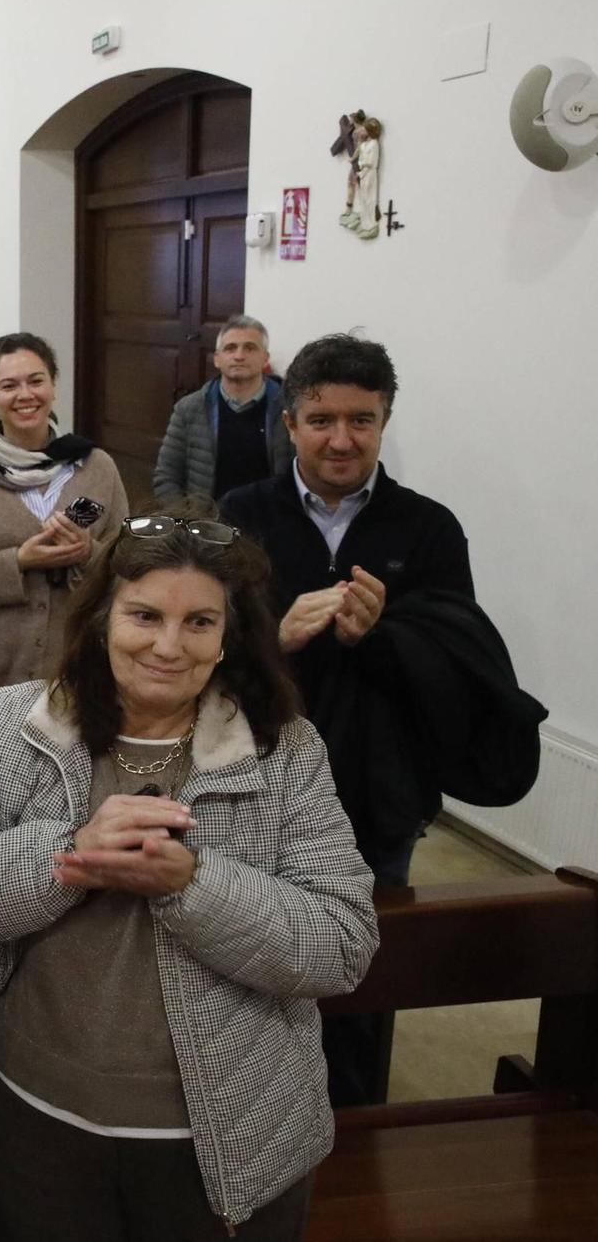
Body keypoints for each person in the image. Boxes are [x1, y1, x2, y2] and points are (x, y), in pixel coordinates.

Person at [0, 511, 377, 1239]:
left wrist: (191, 883)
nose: (166, 644)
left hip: (222, 1132)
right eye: (144, 615)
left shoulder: (284, 753)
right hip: (33, 1113)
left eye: (198, 622)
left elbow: (341, 942)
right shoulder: (12, 723)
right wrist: (69, 853)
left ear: (228, 637)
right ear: (100, 619)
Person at [219, 334, 483, 1107]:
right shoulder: (244, 513)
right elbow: (199, 648)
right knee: (254, 959)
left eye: (361, 420)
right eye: (322, 419)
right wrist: (279, 635)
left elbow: (457, 664)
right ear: (291, 421)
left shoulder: (429, 528)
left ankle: (357, 1122)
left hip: (378, 786)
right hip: (254, 778)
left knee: (362, 968)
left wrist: (382, 638)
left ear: (384, 420)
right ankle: (257, 1112)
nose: (341, 439)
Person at [0, 334, 128, 743]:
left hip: (77, 676)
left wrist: (88, 552)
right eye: (9, 385)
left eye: (36, 381)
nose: (25, 395)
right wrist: (20, 561)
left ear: (53, 385)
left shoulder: (95, 468)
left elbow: (130, 564)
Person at [153, 315, 292, 504]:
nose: (239, 356)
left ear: (265, 358)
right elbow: (167, 477)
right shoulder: (188, 409)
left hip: (270, 524)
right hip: (206, 526)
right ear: (217, 359)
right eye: (230, 348)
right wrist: (186, 522)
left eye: (250, 348)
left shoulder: (290, 408)